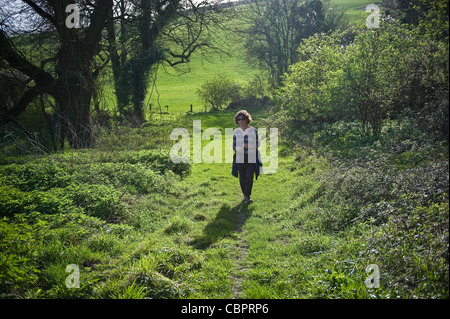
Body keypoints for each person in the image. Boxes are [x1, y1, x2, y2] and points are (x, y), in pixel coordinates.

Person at [231, 110, 262, 203]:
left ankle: (247, 196)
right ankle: (245, 194)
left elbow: (258, 144)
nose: (240, 121)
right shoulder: (236, 132)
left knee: (249, 176)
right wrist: (237, 148)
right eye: (238, 119)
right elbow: (233, 145)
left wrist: (250, 146)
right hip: (240, 158)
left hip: (251, 157)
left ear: (247, 120)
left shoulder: (253, 130)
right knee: (242, 177)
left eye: (242, 119)